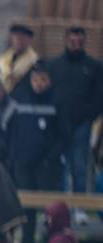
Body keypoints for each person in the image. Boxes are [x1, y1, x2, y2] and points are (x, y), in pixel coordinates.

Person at [8, 63, 66, 243]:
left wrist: (51, 157)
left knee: (50, 208)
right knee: (27, 208)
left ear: (49, 81)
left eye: (43, 80)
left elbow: (64, 134)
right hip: (24, 164)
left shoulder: (57, 100)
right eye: (35, 80)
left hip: (47, 166)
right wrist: (16, 155)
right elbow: (13, 129)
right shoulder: (20, 99)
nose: (39, 84)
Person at [48, 26, 103, 217]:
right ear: (66, 40)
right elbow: (49, 93)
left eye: (79, 41)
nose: (76, 44)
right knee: (61, 168)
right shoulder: (54, 65)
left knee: (79, 166)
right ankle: (61, 210)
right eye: (73, 41)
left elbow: (98, 97)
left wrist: (88, 116)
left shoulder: (94, 66)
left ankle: (80, 207)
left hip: (81, 125)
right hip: (58, 126)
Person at [0, 23, 39, 102]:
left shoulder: (34, 61)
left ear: (30, 40)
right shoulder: (4, 59)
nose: (19, 40)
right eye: (16, 36)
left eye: (23, 37)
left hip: (23, 101)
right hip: (5, 99)